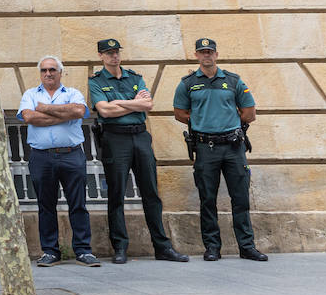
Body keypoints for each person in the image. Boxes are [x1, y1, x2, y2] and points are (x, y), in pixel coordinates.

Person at [89, 39, 188, 264]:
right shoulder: (96, 81)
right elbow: (103, 111)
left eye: (116, 52)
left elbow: (147, 105)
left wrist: (119, 104)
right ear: (101, 56)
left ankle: (162, 246)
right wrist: (132, 102)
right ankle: (120, 247)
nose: (114, 56)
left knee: (151, 193)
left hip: (140, 136)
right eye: (109, 53)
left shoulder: (135, 77)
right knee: (116, 195)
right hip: (115, 138)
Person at [172, 37, 266, 262]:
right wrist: (204, 122)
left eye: (210, 52)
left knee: (241, 198)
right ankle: (212, 247)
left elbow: (249, 112)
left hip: (233, 147)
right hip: (206, 147)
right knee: (207, 199)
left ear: (216, 54)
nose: (207, 55)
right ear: (196, 55)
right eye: (202, 52)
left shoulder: (233, 81)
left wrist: (228, 124)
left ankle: (247, 246)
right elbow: (180, 113)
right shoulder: (187, 83)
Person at [18, 56, 100, 268]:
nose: (48, 73)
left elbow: (79, 111)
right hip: (41, 156)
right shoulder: (30, 94)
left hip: (71, 154)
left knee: (78, 204)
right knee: (46, 205)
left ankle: (83, 250)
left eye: (52, 69)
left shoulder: (73, 93)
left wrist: (44, 108)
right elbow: (29, 117)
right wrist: (63, 115)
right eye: (44, 70)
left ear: (60, 72)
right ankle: (50, 251)